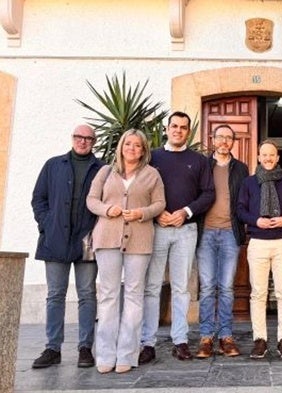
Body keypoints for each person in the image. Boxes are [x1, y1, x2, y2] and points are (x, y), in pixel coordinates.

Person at [87, 129, 165, 374]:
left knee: (134, 295)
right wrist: (107, 209)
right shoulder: (105, 172)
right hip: (108, 237)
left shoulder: (152, 174)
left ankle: (127, 355)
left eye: (137, 145)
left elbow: (160, 204)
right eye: (128, 144)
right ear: (121, 147)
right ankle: (106, 354)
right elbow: (91, 200)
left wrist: (142, 213)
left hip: (139, 240)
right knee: (109, 296)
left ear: (144, 150)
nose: (132, 148)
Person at [139, 111, 215, 363]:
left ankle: (180, 340)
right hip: (157, 228)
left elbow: (208, 194)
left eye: (183, 127)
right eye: (174, 126)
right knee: (151, 287)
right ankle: (147, 343)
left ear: (188, 131)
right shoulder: (152, 157)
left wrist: (185, 212)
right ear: (166, 128)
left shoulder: (199, 161)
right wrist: (156, 213)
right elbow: (141, 190)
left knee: (181, 287)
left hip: (185, 230)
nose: (178, 130)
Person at [31, 124, 103, 369]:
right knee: (55, 295)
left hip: (87, 240)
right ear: (72, 138)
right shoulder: (53, 165)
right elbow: (38, 198)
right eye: (78, 137)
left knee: (87, 294)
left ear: (94, 141)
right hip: (55, 239)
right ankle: (52, 348)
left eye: (87, 138)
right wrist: (47, 223)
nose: (82, 141)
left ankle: (85, 348)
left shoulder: (102, 168)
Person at [237, 140, 282, 360]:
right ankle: (259, 340)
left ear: (278, 157)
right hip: (258, 241)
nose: (268, 158)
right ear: (259, 157)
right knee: (258, 294)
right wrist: (256, 220)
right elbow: (240, 210)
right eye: (264, 155)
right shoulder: (249, 183)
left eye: (272, 155)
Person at [194, 125, 249, 359]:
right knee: (207, 286)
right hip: (205, 232)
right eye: (220, 137)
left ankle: (226, 336)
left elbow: (246, 200)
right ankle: (206, 337)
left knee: (226, 287)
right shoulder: (202, 165)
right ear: (213, 140)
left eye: (229, 137)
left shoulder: (241, 169)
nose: (224, 141)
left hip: (230, 233)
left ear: (233, 142)